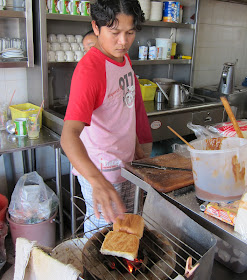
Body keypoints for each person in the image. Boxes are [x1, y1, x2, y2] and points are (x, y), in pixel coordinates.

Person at [61, 0, 146, 237]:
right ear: (96, 28)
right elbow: (68, 137)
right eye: (115, 32)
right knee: (103, 234)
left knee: (126, 229)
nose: (123, 41)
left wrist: (136, 147)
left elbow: (122, 110)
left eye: (130, 33)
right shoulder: (90, 70)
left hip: (125, 162)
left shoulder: (122, 58)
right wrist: (97, 181)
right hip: (101, 168)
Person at [82, 29, 153, 157]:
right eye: (86, 50)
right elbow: (71, 133)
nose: (90, 54)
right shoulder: (89, 72)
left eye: (93, 48)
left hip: (133, 135)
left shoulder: (123, 63)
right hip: (108, 153)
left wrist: (137, 147)